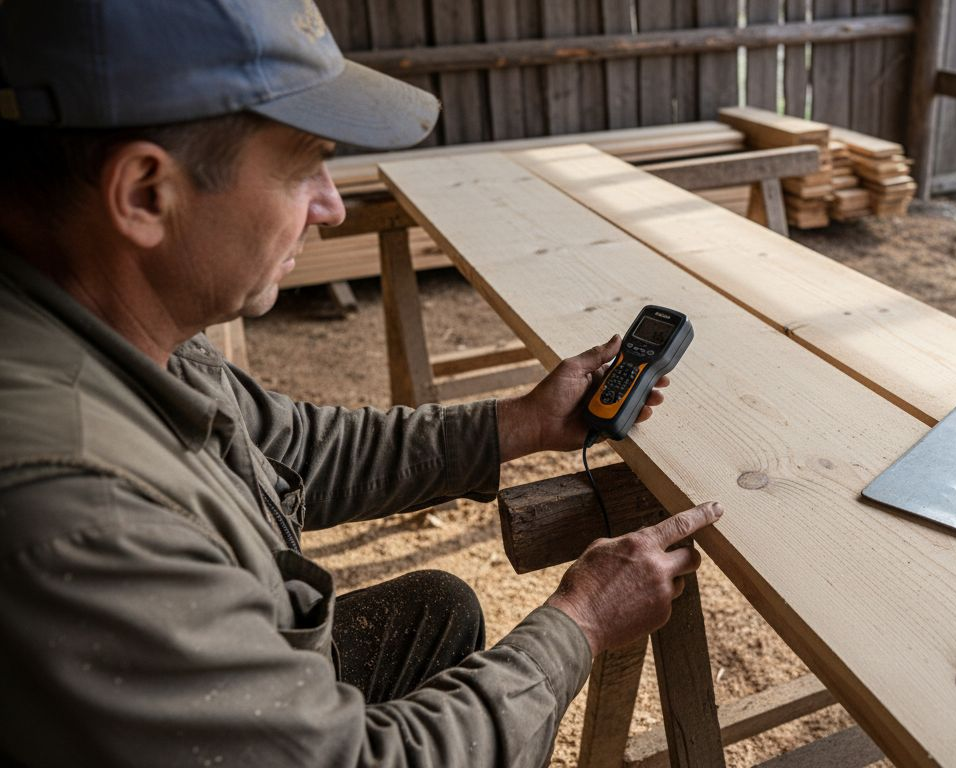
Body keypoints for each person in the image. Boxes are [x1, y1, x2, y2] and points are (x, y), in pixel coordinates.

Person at [0, 1, 723, 765]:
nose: (332, 206)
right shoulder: (83, 512)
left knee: (436, 611)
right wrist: (581, 624)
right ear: (146, 192)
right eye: (303, 167)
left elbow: (294, 448)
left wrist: (521, 421)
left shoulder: (111, 324)